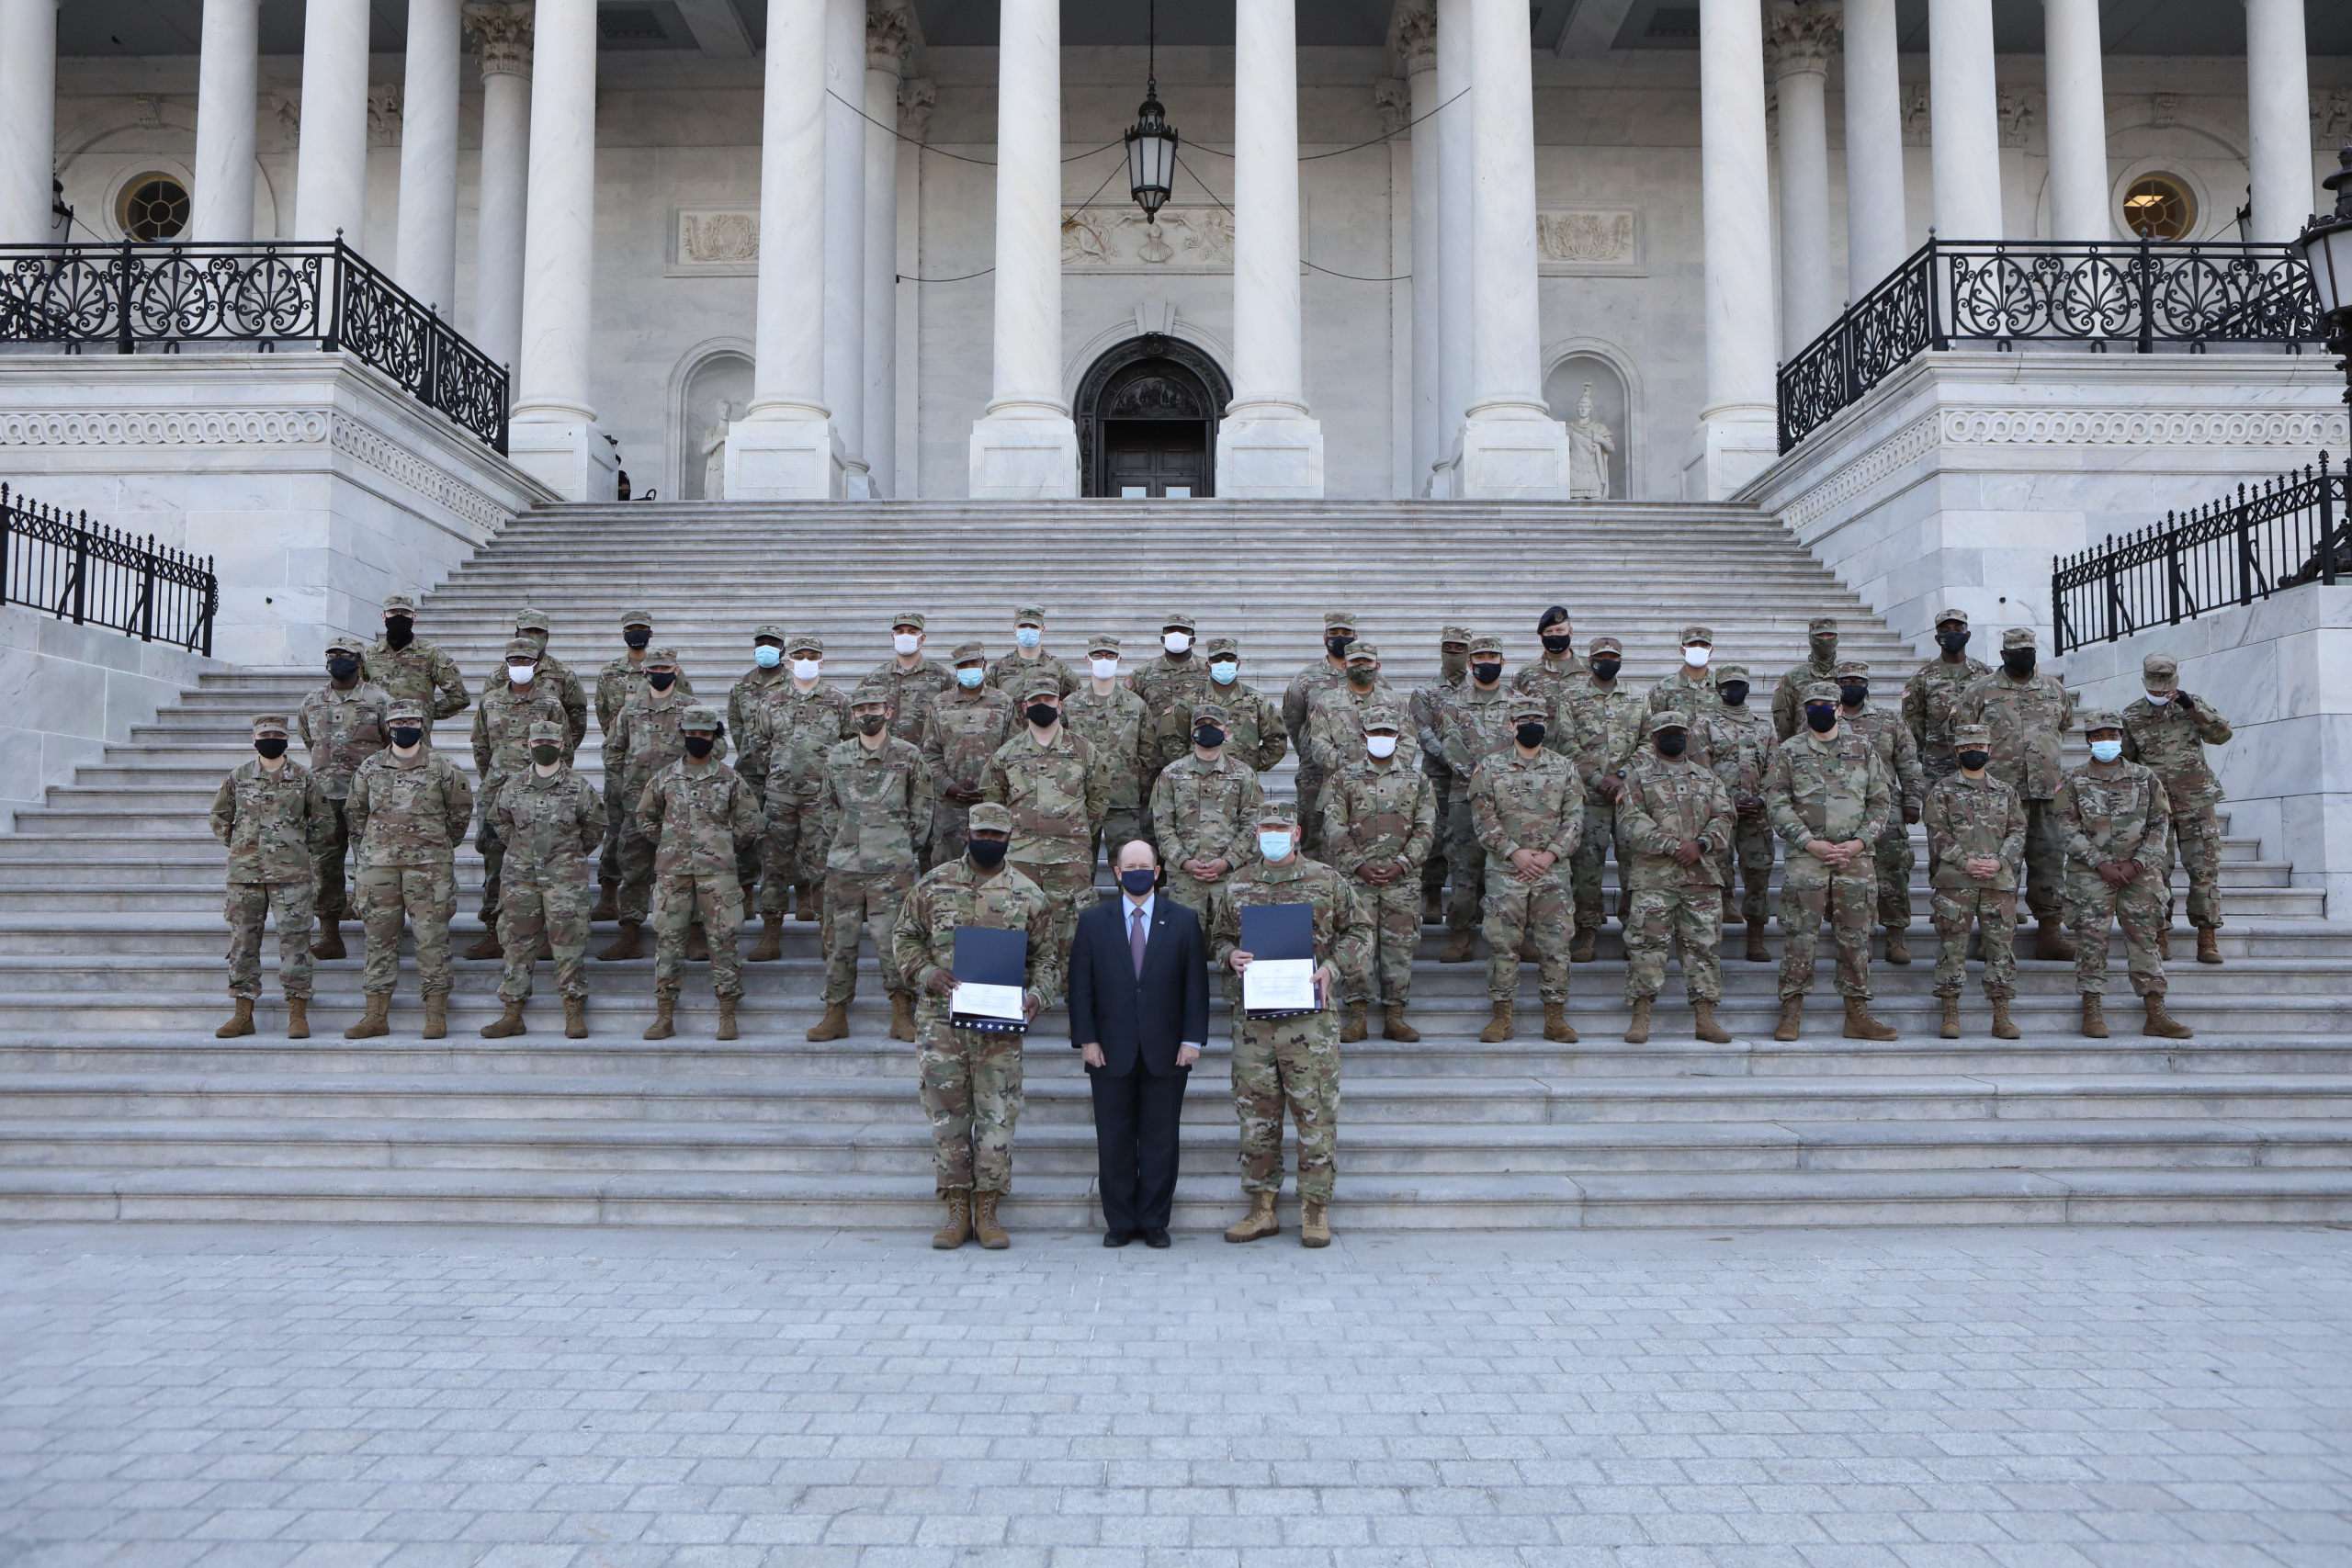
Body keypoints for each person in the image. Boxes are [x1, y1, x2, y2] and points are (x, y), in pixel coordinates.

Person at [890, 801, 1061, 1250]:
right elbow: (904, 937)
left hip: (999, 1031)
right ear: (967, 833)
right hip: (941, 1024)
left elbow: (1048, 959)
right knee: (948, 1119)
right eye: (981, 834)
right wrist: (927, 973)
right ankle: (955, 1210)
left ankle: (988, 1207)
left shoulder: (1028, 894)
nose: (988, 842)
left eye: (996, 836)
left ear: (1010, 837)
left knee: (998, 1120)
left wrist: (1036, 997)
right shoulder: (934, 884)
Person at [1209, 803, 1371, 1249]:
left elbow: (1361, 933)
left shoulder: (1327, 881)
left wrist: (1333, 969)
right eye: (1265, 827)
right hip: (1254, 1024)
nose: (1273, 834)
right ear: (1255, 831)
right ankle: (1262, 1209)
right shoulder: (1238, 883)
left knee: (1315, 1115)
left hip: (1311, 1023)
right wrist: (1229, 956)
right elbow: (1219, 936)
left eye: (1280, 827)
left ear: (1296, 832)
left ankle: (1315, 1209)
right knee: (1256, 1120)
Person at [1068, 840, 1210, 1248]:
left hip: (1168, 1050)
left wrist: (1191, 1039)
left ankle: (1154, 1221)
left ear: (1158, 871)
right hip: (1109, 1050)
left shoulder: (1183, 921)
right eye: (1129, 866)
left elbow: (1195, 987)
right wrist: (1087, 1039)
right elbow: (1080, 988)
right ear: (1116, 872)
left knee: (1161, 1139)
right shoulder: (1094, 921)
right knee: (1114, 1140)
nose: (1137, 872)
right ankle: (1120, 1223)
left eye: (1144, 865)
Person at [1763, 682, 1896, 1043]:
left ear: (1840, 708)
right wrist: (1809, 842)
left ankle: (1857, 1015)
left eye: (1826, 705)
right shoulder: (1789, 751)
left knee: (1856, 938)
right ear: (1805, 711)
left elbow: (1881, 801)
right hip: (1808, 860)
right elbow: (1776, 803)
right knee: (1799, 937)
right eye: (1812, 706)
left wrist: (1858, 842)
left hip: (1855, 859)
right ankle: (1791, 1010)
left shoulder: (1863, 748)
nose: (1819, 710)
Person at [805, 679, 933, 1044]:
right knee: (838, 943)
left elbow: (923, 806)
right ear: (853, 714)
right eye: (860, 710)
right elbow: (827, 806)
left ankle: (901, 1011)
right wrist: (844, 839)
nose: (868, 715)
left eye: (874, 708)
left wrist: (903, 843)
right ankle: (836, 1012)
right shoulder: (838, 756)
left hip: (891, 869)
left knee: (894, 942)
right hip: (844, 866)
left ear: (888, 711)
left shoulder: (909, 755)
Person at [2056, 711, 2191, 1041]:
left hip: (2140, 875)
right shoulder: (2072, 779)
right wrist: (2100, 864)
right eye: (2099, 736)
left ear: (2121, 737)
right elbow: (2066, 828)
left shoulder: (2145, 777)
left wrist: (2139, 864)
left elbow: (2161, 825)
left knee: (2146, 942)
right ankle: (2093, 1011)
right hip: (2090, 874)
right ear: (2088, 740)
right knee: (2091, 943)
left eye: (2112, 735)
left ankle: (2155, 1014)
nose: (2106, 741)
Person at [344, 700, 473, 1041]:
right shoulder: (370, 767)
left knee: (431, 938)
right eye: (399, 721)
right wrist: (369, 850)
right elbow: (356, 814)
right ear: (388, 726)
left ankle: (435, 1014)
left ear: (423, 724)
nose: (406, 726)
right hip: (378, 866)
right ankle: (375, 1014)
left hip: (429, 867)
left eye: (413, 720)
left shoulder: (443, 766)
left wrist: (439, 846)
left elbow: (459, 814)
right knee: (378, 939)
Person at [638, 705, 763, 1042]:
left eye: (704, 735)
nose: (697, 739)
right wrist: (668, 842)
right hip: (673, 873)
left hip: (717, 873)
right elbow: (645, 818)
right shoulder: (664, 777)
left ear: (714, 737)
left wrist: (722, 844)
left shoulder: (729, 777)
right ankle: (665, 1015)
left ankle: (727, 1014)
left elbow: (752, 819)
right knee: (669, 941)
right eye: (691, 734)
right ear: (683, 736)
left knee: (723, 940)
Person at [1955, 626, 2078, 961]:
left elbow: (2062, 726)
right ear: (2003, 655)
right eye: (2018, 651)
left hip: (2048, 791)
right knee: (1999, 864)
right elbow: (1965, 737)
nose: (2025, 656)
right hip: (1998, 795)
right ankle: (1995, 938)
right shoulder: (1980, 691)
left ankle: (2050, 933)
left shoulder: (2054, 689)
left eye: (2030, 650)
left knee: (2050, 861)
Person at [1467, 696, 1585, 1043]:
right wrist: (1514, 852)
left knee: (1556, 945)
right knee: (1503, 944)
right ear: (1510, 725)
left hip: (1553, 871)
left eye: (1538, 719)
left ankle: (1555, 1018)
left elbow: (1575, 817)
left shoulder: (1565, 767)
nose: (1531, 724)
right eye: (1524, 719)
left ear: (1547, 726)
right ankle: (1501, 1017)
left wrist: (1551, 855)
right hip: (1507, 871)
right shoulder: (1489, 767)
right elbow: (1482, 816)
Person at [481, 718, 605, 1040]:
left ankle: (573, 1010)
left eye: (551, 743)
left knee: (569, 942)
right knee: (516, 942)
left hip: (565, 878)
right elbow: (501, 821)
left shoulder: (579, 786)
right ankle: (512, 1012)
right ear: (529, 746)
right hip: (520, 877)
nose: (545, 747)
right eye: (538, 743)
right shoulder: (513, 785)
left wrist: (566, 854)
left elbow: (594, 828)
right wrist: (524, 849)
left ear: (563, 747)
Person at [209, 715, 333, 1039]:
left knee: (296, 944)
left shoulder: (303, 778)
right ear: (254, 739)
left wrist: (295, 849)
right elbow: (220, 818)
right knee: (243, 944)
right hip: (244, 875)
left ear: (286, 739)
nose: (271, 739)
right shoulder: (238, 778)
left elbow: (324, 824)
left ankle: (297, 1012)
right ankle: (242, 1014)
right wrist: (242, 846)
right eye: (265, 735)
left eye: (277, 734)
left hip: (291, 876)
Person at [1617, 711, 1736, 1044]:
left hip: (1701, 877)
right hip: (1654, 879)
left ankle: (1705, 1017)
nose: (1675, 738)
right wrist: (1672, 847)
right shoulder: (1637, 778)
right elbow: (1631, 823)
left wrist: (1701, 844)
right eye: (1667, 733)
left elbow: (1725, 816)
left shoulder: (1707, 778)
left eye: (1680, 732)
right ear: (1654, 739)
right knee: (1646, 947)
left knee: (1703, 948)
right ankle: (1641, 1017)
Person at [1320, 703, 1436, 1043]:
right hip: (1357, 880)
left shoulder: (1417, 779)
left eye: (1388, 732)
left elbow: (1427, 827)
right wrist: (1358, 864)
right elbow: (1334, 826)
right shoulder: (1343, 778)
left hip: (1404, 880)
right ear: (1363, 736)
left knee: (1400, 948)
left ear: (1399, 737)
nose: (1382, 737)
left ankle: (1395, 1015)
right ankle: (1357, 1015)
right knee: (1357, 945)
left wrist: (1403, 863)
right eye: (1376, 732)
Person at [601, 649, 721, 963]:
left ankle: (694, 935)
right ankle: (630, 934)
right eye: (653, 667)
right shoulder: (630, 711)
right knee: (634, 868)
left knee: (689, 871)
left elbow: (716, 748)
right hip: (637, 805)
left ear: (676, 669)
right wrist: (631, 780)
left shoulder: (692, 708)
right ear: (644, 671)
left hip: (683, 806)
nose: (659, 671)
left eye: (665, 667)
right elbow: (612, 752)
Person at [2120, 652, 2233, 964]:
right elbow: (2128, 762)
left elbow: (2222, 735)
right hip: (2156, 806)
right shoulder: (2130, 716)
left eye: (2165, 684)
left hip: (2196, 799)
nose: (2160, 690)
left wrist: (2191, 706)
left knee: (2204, 870)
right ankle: (2161, 934)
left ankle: (2207, 936)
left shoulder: (2191, 705)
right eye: (2155, 684)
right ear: (2145, 681)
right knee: (2156, 871)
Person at [981, 679, 1107, 959]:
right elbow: (993, 801)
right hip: (1021, 858)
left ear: (1060, 706)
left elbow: (1098, 799)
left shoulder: (1084, 751)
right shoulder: (1006, 754)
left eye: (1049, 701)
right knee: (1017, 930)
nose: (1042, 706)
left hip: (1069, 861)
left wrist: (1075, 832)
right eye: (1035, 702)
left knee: (1073, 935)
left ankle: (1073, 996)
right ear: (1024, 707)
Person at [744, 632, 851, 953]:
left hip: (820, 800)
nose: (806, 662)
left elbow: (849, 748)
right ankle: (771, 935)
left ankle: (826, 934)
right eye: (800, 657)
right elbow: (758, 745)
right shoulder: (772, 701)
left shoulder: (838, 701)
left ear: (822, 661)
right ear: (788, 661)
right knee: (774, 868)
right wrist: (777, 771)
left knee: (823, 868)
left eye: (812, 656)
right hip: (779, 799)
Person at [465, 637, 570, 961]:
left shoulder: (550, 704)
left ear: (536, 664)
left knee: (542, 863)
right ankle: (493, 932)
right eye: (515, 661)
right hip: (497, 793)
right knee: (495, 863)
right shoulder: (491, 701)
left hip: (539, 794)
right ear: (506, 664)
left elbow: (564, 747)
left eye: (526, 661)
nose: (520, 666)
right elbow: (481, 746)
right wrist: (494, 780)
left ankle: (542, 934)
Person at [1922, 722, 2025, 1040]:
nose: (1973, 753)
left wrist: (1999, 860)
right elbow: (1936, 831)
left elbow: (2018, 831)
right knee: (1952, 947)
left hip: (1998, 882)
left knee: (2000, 949)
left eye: (1979, 747)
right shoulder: (1942, 790)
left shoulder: (2005, 791)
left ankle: (2001, 1014)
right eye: (1966, 748)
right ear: (1956, 752)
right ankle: (1950, 1012)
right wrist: (1965, 861)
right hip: (1956, 881)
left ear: (1989, 750)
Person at [592, 608, 692, 920]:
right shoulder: (611, 673)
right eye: (631, 628)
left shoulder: (679, 682)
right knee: (620, 835)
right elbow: (605, 720)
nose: (637, 632)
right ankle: (612, 898)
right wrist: (624, 774)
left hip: (671, 782)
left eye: (642, 628)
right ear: (624, 633)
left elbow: (688, 721)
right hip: (629, 775)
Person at [295, 635, 388, 961]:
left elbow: (392, 746)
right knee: (324, 867)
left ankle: (377, 936)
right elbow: (310, 740)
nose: (337, 659)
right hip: (324, 799)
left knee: (372, 865)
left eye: (344, 654)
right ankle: (330, 935)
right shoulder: (311, 701)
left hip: (366, 799)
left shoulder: (379, 700)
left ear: (359, 660)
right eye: (331, 654)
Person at [1832, 660, 1925, 965]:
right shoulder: (1822, 719)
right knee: (1852, 876)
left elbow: (1908, 762)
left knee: (1893, 871)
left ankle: (1896, 936)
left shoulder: (1890, 721)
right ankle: (1862, 936)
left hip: (1886, 807)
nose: (1852, 686)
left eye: (1858, 681)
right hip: (1842, 807)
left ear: (1867, 684)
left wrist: (1912, 799)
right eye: (1845, 681)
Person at [1436, 632, 1519, 964]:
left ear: (1503, 661)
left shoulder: (1519, 703)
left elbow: (1528, 747)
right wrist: (1480, 778)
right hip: (1464, 798)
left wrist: (1501, 784)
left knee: (1509, 871)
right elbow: (1451, 746)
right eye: (1480, 658)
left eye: (1493, 658)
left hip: (1511, 801)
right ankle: (1461, 937)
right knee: (1464, 870)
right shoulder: (1453, 704)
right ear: (1470, 664)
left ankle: (1514, 937)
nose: (1487, 663)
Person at [1560, 634, 1643, 959]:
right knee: (1586, 870)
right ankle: (1587, 932)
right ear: (1590, 660)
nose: (1606, 661)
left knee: (1634, 868)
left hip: (1628, 798)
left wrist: (1622, 776)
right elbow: (1565, 743)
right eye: (1600, 656)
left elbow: (1649, 741)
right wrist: (1597, 778)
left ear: (1620, 661)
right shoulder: (1571, 697)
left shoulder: (1638, 698)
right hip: (1589, 797)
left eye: (1613, 656)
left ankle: (1634, 931)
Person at [1690, 660, 1776, 963]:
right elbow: (1700, 771)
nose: (1734, 690)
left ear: (1748, 688)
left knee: (1758, 875)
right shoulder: (1704, 725)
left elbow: (1775, 772)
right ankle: (1713, 938)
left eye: (1740, 685)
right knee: (1716, 874)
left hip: (1757, 815)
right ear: (1718, 689)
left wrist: (1762, 799)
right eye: (1728, 686)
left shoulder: (1763, 727)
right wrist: (1725, 801)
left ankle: (1756, 937)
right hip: (1719, 815)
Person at [1148, 700, 1264, 918]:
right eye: (1203, 724)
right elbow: (1162, 825)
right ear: (1192, 732)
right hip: (1185, 878)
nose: (1208, 728)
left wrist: (1228, 860)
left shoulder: (1243, 774)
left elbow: (1252, 824)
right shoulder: (1171, 774)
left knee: (1232, 940)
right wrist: (1185, 861)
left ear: (1226, 732)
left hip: (1232, 875)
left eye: (1215, 724)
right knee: (1186, 944)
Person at [920, 639, 1016, 866]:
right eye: (963, 665)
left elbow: (1013, 751)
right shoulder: (940, 704)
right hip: (949, 804)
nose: (969, 668)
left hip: (993, 801)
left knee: (995, 863)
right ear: (956, 669)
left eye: (974, 662)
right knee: (945, 865)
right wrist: (947, 786)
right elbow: (930, 752)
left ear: (984, 664)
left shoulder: (1002, 702)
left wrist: (993, 786)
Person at [1062, 634, 1152, 867]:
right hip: (1080, 801)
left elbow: (1149, 754)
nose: (1104, 659)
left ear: (1119, 660)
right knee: (1079, 870)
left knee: (1129, 868)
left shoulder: (1136, 705)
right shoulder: (1071, 704)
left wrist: (1137, 790)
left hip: (1123, 801)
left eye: (1110, 655)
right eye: (1098, 655)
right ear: (1087, 659)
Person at [1282, 609, 1359, 860]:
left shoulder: (1370, 677)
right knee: (1312, 839)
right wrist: (1309, 748)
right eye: (1334, 633)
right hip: (1314, 773)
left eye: (1346, 633)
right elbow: (1293, 720)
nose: (1340, 638)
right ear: (1324, 636)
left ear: (1355, 637)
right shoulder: (1306, 678)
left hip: (1357, 772)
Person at [1409, 625, 1473, 924]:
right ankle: (1432, 895)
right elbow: (1422, 732)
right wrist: (1454, 761)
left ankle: (1476, 897)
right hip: (1439, 776)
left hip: (1474, 779)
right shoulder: (1425, 692)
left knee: (1472, 838)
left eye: (1460, 649)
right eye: (1449, 648)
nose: (1454, 654)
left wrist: (1471, 767)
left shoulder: (1481, 691)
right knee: (1433, 837)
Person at [726, 622, 795, 897]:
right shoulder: (742, 686)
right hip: (750, 770)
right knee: (747, 833)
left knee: (787, 835)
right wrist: (749, 750)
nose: (766, 648)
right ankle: (745, 895)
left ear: (783, 649)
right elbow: (736, 724)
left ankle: (799, 892)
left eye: (773, 643)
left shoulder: (794, 683)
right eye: (761, 643)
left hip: (786, 772)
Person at [1163, 636, 1287, 775]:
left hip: (1242, 782)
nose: (1223, 663)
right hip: (1198, 781)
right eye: (1217, 659)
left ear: (1237, 663)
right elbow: (1172, 740)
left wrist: (1252, 765)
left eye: (1229, 658)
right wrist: (1190, 767)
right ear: (1208, 665)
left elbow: (1277, 739)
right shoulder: (1189, 702)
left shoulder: (1257, 701)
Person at [1130, 610, 1206, 832]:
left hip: (1195, 759)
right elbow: (1128, 708)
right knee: (1150, 821)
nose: (1176, 634)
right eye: (1171, 631)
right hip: (1153, 760)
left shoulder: (1208, 671)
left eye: (1183, 631)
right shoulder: (1144, 673)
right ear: (1162, 638)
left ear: (1193, 638)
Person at [1901, 607, 1994, 785]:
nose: (1952, 634)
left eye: (1958, 630)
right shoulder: (1921, 679)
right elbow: (1913, 729)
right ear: (1937, 639)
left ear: (1968, 635)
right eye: (1945, 631)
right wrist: (1930, 754)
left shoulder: (1986, 675)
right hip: (1939, 767)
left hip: (1981, 766)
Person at [362, 592, 469, 744]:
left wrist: (424, 712)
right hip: (378, 737)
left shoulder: (431, 653)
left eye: (405, 613)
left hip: (416, 737)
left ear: (414, 617)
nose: (399, 617)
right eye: (393, 612)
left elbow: (460, 698)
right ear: (383, 616)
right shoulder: (368, 654)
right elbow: (358, 691)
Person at [868, 609, 952, 752]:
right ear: (893, 637)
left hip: (925, 760)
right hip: (884, 759)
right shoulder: (875, 678)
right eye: (900, 632)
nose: (905, 636)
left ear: (922, 638)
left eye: (912, 632)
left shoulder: (941, 677)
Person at [510, 605, 588, 750]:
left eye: (538, 632)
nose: (533, 636)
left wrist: (560, 755)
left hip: (547, 761)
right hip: (508, 764)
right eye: (527, 631)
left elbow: (577, 722)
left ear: (547, 637)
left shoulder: (563, 674)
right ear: (517, 634)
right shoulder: (500, 674)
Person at [986, 603, 1079, 699]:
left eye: (1034, 626)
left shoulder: (1059, 668)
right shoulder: (998, 668)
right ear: (1014, 629)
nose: (1028, 630)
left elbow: (1075, 703)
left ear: (1042, 630)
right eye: (1023, 626)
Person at [1770, 615, 1840, 741]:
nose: (1825, 639)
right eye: (1820, 635)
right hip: (1804, 750)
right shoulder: (1793, 677)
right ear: (1811, 639)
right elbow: (1783, 721)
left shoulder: (1847, 676)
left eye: (1830, 635)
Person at [1510, 605, 1585, 708]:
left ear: (1570, 632)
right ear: (1542, 636)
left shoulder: (1590, 669)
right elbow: (1514, 711)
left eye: (1560, 630)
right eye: (1549, 632)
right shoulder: (1526, 673)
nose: (1554, 635)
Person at [1645, 625, 1715, 716]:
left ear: (1710, 651)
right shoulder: (1664, 688)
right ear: (1682, 650)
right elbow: (1653, 724)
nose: (1698, 649)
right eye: (1692, 644)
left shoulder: (1723, 685)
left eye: (1704, 645)